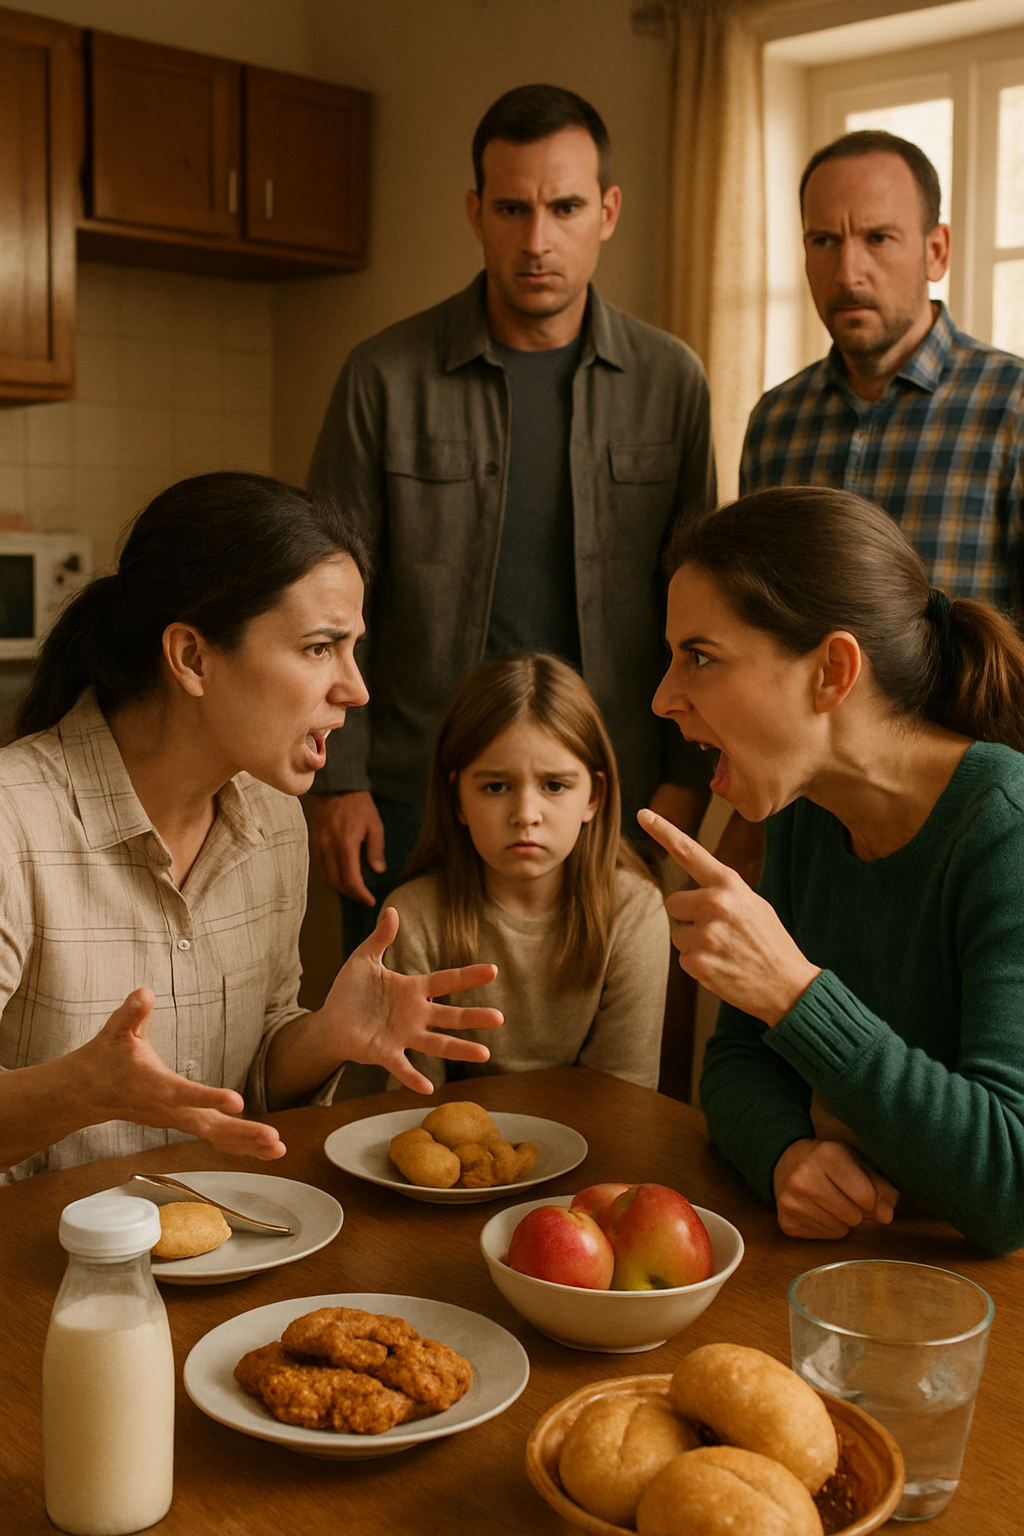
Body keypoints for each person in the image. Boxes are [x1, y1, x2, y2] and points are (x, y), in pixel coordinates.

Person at [305, 82, 716, 960]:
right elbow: (322, 603)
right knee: (398, 1052)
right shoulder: (384, 375)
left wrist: (686, 777)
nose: (538, 240)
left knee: (602, 1062)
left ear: (606, 211)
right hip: (416, 785)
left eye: (565, 207)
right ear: (476, 212)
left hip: (606, 788)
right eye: (512, 208)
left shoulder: (670, 380)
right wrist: (334, 781)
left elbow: (697, 606)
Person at [0, 472, 502, 1181]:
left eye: (352, 649)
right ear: (192, 657)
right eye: (319, 648)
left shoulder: (275, 822)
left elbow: (248, 1079)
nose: (355, 688)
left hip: (229, 1243)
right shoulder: (12, 822)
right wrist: (81, 1090)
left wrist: (326, 1036)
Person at [641, 486, 1024, 1255]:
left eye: (701, 657)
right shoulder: (807, 814)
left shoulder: (1005, 831)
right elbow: (740, 1060)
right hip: (870, 1269)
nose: (662, 699)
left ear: (832, 672)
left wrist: (794, 992)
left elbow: (1009, 1183)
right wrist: (788, 1154)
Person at [742, 128, 1024, 612]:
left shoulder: (1012, 406)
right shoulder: (775, 420)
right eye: (824, 240)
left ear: (935, 252)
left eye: (878, 238)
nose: (848, 271)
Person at [384, 653, 669, 1090]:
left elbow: (624, 1094)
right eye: (496, 786)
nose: (525, 814)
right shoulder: (412, 917)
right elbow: (413, 1099)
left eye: (555, 786)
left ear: (594, 796)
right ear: (457, 797)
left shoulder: (636, 912)